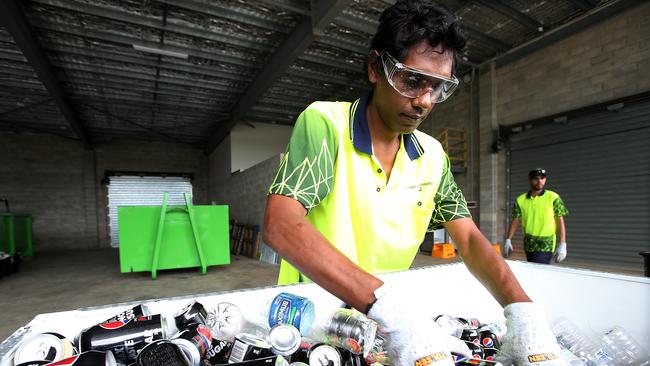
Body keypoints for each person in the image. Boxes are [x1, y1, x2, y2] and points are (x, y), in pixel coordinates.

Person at [264, 2, 566, 365]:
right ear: (376, 69)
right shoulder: (326, 126)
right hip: (315, 318)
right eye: (412, 81)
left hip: (387, 324)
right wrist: (390, 309)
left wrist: (523, 311)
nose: (424, 101)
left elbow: (468, 239)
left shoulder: (433, 155)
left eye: (438, 87)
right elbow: (281, 226)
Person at [504, 168, 569, 264]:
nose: (539, 181)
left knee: (539, 269)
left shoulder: (553, 197)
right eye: (536, 178)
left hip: (546, 244)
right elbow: (515, 220)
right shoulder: (520, 200)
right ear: (530, 180)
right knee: (534, 269)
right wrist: (508, 239)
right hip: (529, 244)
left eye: (542, 178)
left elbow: (560, 221)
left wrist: (562, 243)